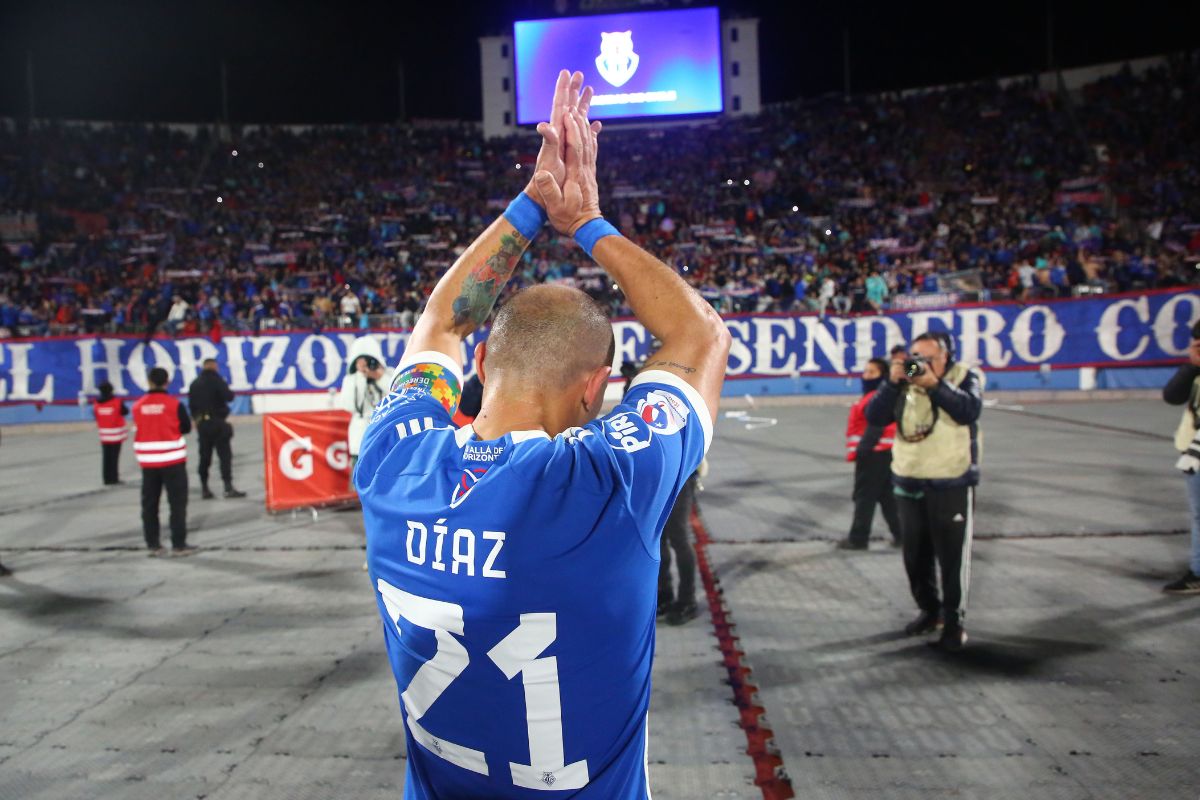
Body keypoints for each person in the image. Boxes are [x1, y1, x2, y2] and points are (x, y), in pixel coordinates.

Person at [357, 70, 730, 798]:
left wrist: (531, 206)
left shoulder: (392, 455)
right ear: (596, 389)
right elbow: (699, 332)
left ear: (486, 360)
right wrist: (587, 221)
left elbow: (442, 321)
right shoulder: (609, 485)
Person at [866, 332, 984, 650]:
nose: (919, 364)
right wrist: (891, 383)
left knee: (952, 557)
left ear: (946, 357)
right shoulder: (903, 380)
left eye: (927, 359)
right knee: (914, 556)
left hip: (951, 480)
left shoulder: (965, 376)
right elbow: (874, 417)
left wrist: (934, 384)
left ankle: (954, 621)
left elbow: (968, 410)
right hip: (908, 479)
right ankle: (929, 611)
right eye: (915, 357)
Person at [132, 367, 196, 557]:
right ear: (167, 382)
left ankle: (153, 544)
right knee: (177, 504)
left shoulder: (138, 406)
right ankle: (178, 544)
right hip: (172, 460)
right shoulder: (174, 404)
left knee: (150, 505)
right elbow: (185, 428)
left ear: (149, 382)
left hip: (148, 463)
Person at [838, 357, 900, 550]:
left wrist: (863, 450)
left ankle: (858, 537)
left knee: (865, 497)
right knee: (887, 497)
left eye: (871, 372)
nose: (866, 376)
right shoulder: (880, 396)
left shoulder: (877, 398)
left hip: (874, 454)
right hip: (884, 453)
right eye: (865, 372)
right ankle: (902, 534)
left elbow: (876, 425)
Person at [1162, 320, 1200, 595]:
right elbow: (1172, 396)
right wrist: (1193, 364)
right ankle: (1198, 572)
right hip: (1194, 453)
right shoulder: (1196, 370)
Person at [187, 359, 245, 499]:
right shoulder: (217, 380)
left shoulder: (194, 383)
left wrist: (196, 420)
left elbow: (191, 405)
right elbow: (229, 396)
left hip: (203, 424)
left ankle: (205, 488)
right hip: (217, 422)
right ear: (214, 366)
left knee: (204, 457)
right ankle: (228, 487)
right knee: (224, 456)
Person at [338, 336, 389, 469]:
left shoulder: (388, 375)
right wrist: (361, 376)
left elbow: (398, 396)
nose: (367, 365)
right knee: (360, 488)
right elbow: (349, 405)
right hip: (360, 442)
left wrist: (379, 377)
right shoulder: (350, 380)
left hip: (386, 441)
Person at [93, 381, 129, 485]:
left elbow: (96, 415)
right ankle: (114, 478)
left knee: (106, 457)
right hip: (116, 434)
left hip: (104, 435)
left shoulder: (97, 403)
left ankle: (106, 478)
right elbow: (125, 412)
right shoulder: (117, 402)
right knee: (114, 457)